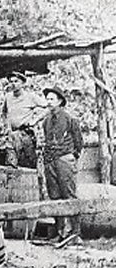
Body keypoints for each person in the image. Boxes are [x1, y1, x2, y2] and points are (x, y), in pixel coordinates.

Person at [42, 86, 83, 239]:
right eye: (47, 99)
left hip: (64, 159)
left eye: (52, 99)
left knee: (69, 194)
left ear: (59, 101)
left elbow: (78, 140)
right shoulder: (46, 121)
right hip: (50, 161)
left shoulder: (69, 119)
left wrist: (72, 156)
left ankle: (75, 233)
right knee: (54, 196)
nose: (48, 102)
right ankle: (61, 232)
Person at [2, 71, 48, 168]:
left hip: (26, 134)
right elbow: (4, 112)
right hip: (12, 135)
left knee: (29, 163)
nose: (13, 84)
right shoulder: (8, 97)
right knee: (11, 163)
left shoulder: (30, 96)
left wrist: (35, 120)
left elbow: (48, 107)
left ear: (22, 83)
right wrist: (7, 127)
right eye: (11, 82)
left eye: (16, 81)